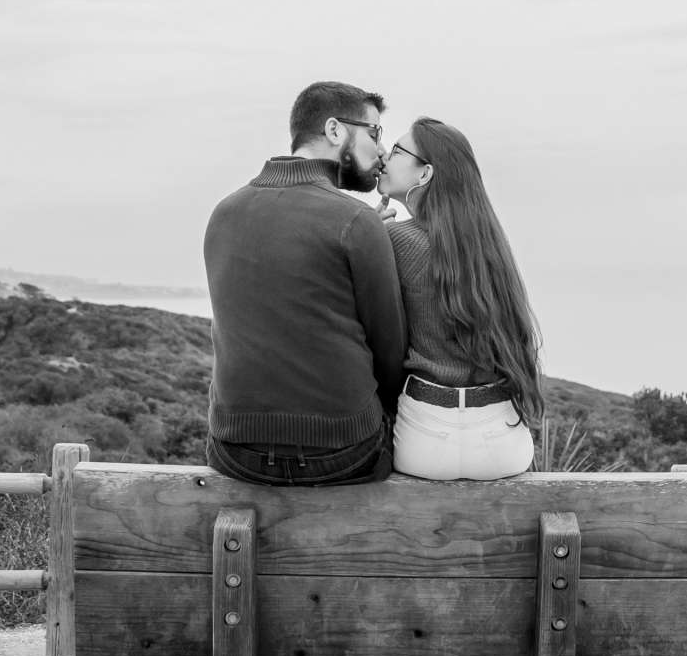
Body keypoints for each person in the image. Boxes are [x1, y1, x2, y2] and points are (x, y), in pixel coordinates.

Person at [202, 81, 406, 486]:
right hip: (345, 452)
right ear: (334, 131)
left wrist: (363, 234)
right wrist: (366, 236)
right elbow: (391, 353)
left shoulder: (223, 213)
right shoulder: (355, 221)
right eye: (374, 133)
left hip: (235, 451)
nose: (381, 150)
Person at [374, 117, 545, 480]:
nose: (384, 158)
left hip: (424, 443)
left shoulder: (393, 240)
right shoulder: (489, 247)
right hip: (502, 446)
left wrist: (366, 234)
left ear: (425, 175)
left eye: (397, 150)